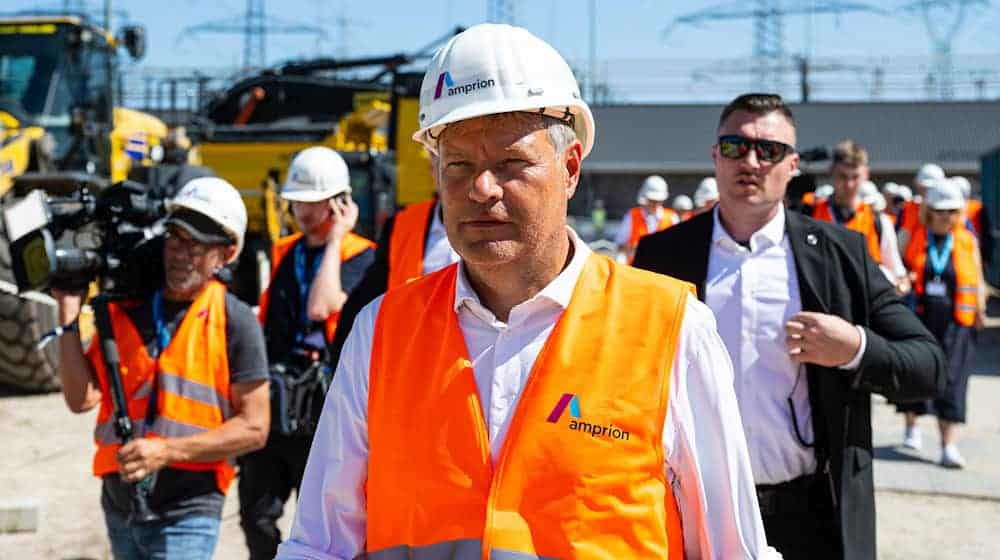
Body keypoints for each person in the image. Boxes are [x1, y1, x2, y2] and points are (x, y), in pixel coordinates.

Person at [278, 24, 780, 560]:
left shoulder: (670, 328)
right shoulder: (382, 334)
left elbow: (733, 550)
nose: (481, 188)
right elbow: (321, 543)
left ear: (569, 169)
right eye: (459, 166)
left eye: (510, 164)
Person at [633, 93, 946, 560]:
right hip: (692, 512)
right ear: (715, 155)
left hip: (808, 513)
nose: (752, 161)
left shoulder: (841, 254)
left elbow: (927, 365)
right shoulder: (661, 256)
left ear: (793, 163)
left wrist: (855, 348)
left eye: (770, 150)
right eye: (736, 147)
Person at [53, 177, 270, 560]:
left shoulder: (235, 321)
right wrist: (68, 321)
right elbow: (80, 398)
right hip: (120, 505)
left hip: (189, 509)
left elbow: (255, 428)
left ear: (227, 252)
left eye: (195, 245)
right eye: (175, 238)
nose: (179, 254)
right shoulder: (126, 309)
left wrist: (167, 451)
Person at [240, 146, 376, 560]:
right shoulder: (286, 251)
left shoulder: (362, 256)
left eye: (311, 202)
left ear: (338, 203)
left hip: (324, 406)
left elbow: (321, 306)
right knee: (255, 512)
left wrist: (335, 240)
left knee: (319, 520)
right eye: (296, 201)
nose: (301, 210)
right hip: (279, 398)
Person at [327, 153, 460, 367]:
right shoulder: (401, 226)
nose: (451, 176)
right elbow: (364, 300)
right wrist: (339, 364)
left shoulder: (500, 227)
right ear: (432, 170)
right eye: (447, 163)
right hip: (414, 362)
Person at [897, 178, 986, 468]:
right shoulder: (913, 235)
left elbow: (977, 277)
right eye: (940, 210)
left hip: (956, 323)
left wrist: (980, 310)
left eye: (951, 211)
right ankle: (912, 427)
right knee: (916, 377)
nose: (946, 217)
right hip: (919, 320)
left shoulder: (966, 239)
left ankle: (948, 445)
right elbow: (897, 267)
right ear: (929, 211)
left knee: (953, 383)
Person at [811, 139, 909, 294]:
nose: (849, 185)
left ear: (866, 175)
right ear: (831, 172)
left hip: (863, 310)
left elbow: (900, 277)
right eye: (842, 176)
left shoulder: (878, 222)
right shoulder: (811, 214)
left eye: (855, 177)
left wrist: (891, 285)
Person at [614, 174, 678, 263]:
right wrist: (632, 249)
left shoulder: (672, 218)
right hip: (636, 271)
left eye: (658, 201)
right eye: (652, 200)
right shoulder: (632, 216)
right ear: (645, 198)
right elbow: (619, 246)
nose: (655, 204)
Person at [898, 162, 946, 252]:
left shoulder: (952, 212)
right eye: (925, 188)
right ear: (918, 187)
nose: (928, 192)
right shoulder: (908, 210)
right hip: (912, 261)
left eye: (932, 188)